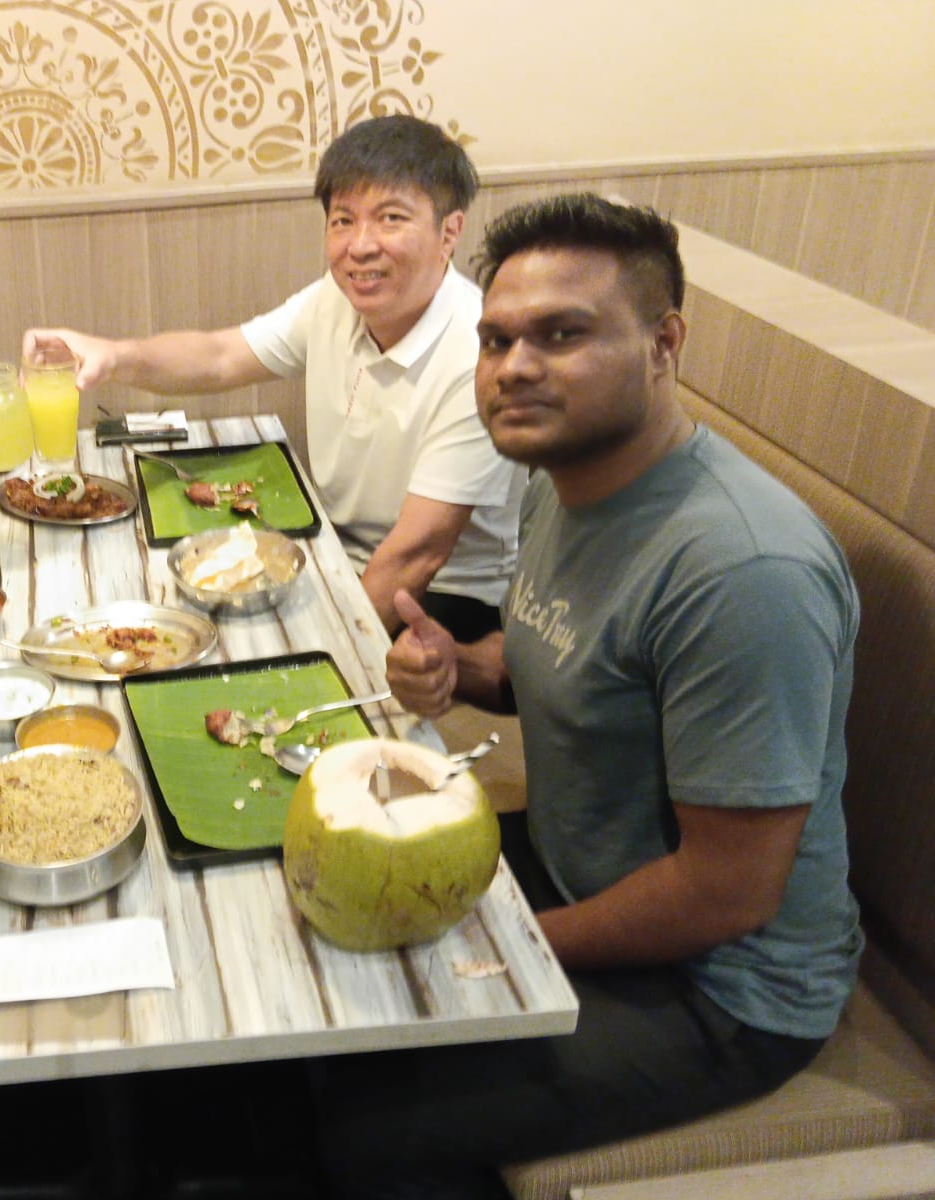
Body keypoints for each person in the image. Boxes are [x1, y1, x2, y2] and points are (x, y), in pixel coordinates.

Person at [314, 193, 863, 1199]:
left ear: (663, 345)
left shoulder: (741, 572)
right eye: (496, 340)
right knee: (309, 958)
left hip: (721, 991)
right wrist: (457, 667)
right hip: (572, 872)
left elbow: (728, 892)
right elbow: (562, 663)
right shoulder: (559, 482)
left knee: (350, 1119)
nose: (514, 367)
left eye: (562, 335)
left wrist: (490, 940)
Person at [23, 115, 522, 643]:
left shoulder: (477, 355)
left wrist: (328, 653)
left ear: (449, 231)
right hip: (334, 552)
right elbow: (220, 356)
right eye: (343, 220)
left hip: (445, 596)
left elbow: (415, 556)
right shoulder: (336, 301)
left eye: (391, 218)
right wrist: (114, 356)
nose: (360, 246)